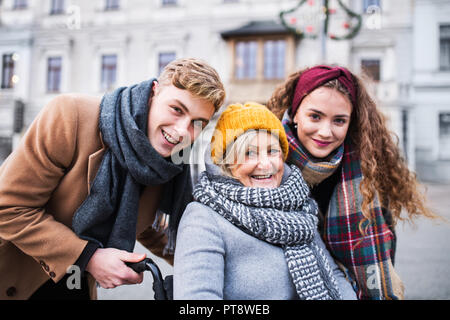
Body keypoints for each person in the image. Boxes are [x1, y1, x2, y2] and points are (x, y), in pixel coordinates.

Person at [0, 58, 226, 300]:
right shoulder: (70, 115)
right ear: (153, 92)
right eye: (177, 109)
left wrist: (213, 262)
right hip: (13, 277)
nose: (182, 131)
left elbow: (147, 225)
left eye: (197, 123)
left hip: (77, 287)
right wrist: (89, 257)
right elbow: (9, 207)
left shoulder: (170, 161)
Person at [266, 65, 440, 300]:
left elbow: (382, 257)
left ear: (351, 123)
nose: (325, 132)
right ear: (295, 113)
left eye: (339, 120)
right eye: (315, 116)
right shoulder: (263, 162)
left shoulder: (368, 173)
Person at [173, 102, 357, 300]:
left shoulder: (298, 207)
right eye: (249, 153)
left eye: (272, 151)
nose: (265, 164)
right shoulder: (204, 217)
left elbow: (334, 276)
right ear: (226, 163)